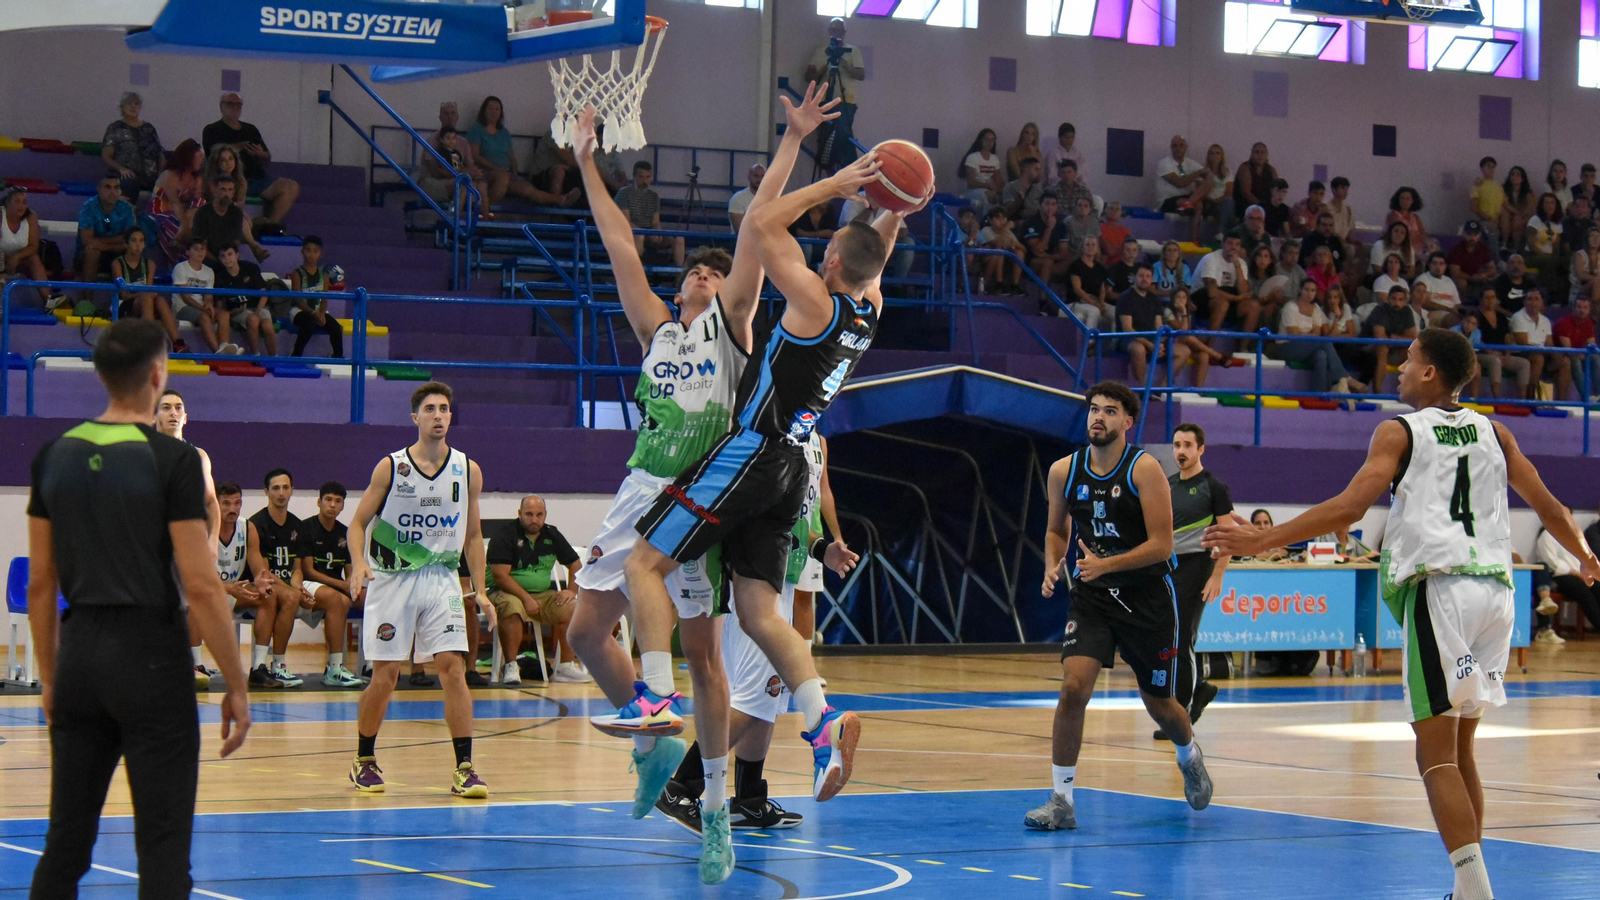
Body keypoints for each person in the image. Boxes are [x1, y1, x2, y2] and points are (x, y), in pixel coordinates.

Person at [1203, 328, 1600, 900]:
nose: (1399, 369)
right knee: (1460, 750)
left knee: (1434, 757)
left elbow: (1350, 508)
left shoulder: (1399, 431)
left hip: (1443, 591)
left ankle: (1476, 891)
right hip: (1497, 594)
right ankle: (1467, 888)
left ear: (1430, 372)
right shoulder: (1496, 431)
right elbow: (1550, 505)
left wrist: (1262, 541)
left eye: (1409, 360)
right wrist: (1585, 557)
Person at [618, 137, 912, 883]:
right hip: (795, 471)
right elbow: (871, 253)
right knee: (757, 613)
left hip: (755, 450)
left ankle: (653, 697)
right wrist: (895, 204)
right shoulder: (869, 310)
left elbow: (759, 224)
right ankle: (822, 721)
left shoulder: (815, 303)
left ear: (832, 261)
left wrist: (838, 184)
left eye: (829, 252)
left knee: (643, 563)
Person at [564, 88, 819, 881]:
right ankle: (651, 740)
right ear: (679, 290)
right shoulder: (658, 330)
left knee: (705, 663)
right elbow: (619, 242)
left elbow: (757, 227)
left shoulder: (733, 323)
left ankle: (711, 811)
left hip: (705, 498)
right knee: (583, 633)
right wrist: (586, 162)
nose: (707, 276)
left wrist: (791, 141)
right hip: (641, 488)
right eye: (696, 272)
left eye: (715, 271)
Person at [25, 319, 249, 897]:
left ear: (101, 376)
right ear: (156, 376)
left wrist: (50, 680)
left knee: (65, 845)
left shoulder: (54, 455)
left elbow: (41, 585)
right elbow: (202, 585)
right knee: (163, 851)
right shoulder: (174, 460)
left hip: (79, 657)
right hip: (152, 658)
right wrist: (235, 683)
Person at [1029, 382, 1212, 831]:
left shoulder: (1144, 470)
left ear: (1128, 421)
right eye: (1094, 409)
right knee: (1073, 688)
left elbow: (1162, 545)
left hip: (1146, 599)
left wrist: (1106, 564)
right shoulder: (1063, 471)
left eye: (1110, 411)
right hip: (1093, 598)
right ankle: (1061, 800)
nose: (1098, 417)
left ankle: (1188, 755)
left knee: (1161, 705)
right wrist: (1053, 564)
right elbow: (1056, 531)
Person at [655, 433, 838, 834]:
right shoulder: (764, 435)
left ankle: (750, 798)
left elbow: (802, 516)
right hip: (752, 579)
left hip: (783, 569)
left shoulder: (811, 439)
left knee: (767, 697)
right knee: (755, 695)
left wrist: (823, 548)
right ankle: (681, 785)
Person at [345, 381, 492, 797]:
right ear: (415, 418)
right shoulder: (391, 467)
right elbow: (357, 524)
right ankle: (364, 759)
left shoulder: (467, 469)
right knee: (386, 676)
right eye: (430, 409)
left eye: (444, 408)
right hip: (392, 579)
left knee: (454, 670)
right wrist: (358, 563)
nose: (438, 415)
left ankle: (465, 769)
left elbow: (473, 535)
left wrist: (480, 590)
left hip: (441, 577)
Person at [1161, 423, 1231, 740]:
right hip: (1169, 567)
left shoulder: (1214, 487)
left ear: (1200, 449)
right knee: (1165, 638)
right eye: (1177, 445)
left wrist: (1217, 574)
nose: (1181, 451)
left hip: (1198, 565)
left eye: (1188, 445)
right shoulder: (1167, 485)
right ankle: (1199, 688)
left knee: (1183, 638)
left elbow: (1227, 536)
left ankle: (1182, 717)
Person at [152, 389, 223, 691]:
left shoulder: (198, 456)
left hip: (185, 541)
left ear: (185, 417)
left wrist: (212, 540)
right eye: (165, 407)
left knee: (184, 606)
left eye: (178, 407)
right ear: (154, 417)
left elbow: (211, 502)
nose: (172, 412)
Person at [488, 494, 588, 684]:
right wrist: (526, 598)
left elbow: (575, 565)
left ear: (545, 515)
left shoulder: (552, 534)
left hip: (543, 595)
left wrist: (571, 591)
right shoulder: (504, 534)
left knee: (573, 608)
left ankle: (565, 666)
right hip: (507, 592)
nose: (534, 519)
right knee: (511, 607)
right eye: (529, 514)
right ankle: (511, 666)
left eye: (539, 515)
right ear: (519, 513)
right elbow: (500, 576)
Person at [245, 468, 310, 687]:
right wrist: (293, 591)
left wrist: (298, 585)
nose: (281, 493)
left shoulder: (297, 525)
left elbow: (297, 567)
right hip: (260, 583)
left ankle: (335, 667)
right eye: (275, 488)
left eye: (285, 487)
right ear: (266, 492)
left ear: (292, 490)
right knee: (290, 597)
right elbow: (263, 572)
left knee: (336, 600)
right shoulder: (256, 524)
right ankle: (276, 665)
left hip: (287, 585)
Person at [296, 481, 363, 688]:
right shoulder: (305, 528)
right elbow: (309, 571)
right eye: (328, 500)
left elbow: (350, 570)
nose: (332, 505)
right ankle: (334, 668)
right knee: (338, 600)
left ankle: (372, 663)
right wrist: (342, 585)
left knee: (371, 599)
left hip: (337, 587)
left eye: (338, 501)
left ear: (343, 505)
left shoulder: (345, 532)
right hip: (310, 584)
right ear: (319, 502)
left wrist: (352, 584)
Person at [201, 92, 299, 231]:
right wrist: (239, 146)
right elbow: (213, 152)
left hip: (257, 179)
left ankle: (270, 225)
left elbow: (267, 156)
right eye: (230, 104)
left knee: (290, 187)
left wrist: (260, 153)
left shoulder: (251, 129)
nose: (235, 107)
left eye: (238, 105)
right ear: (221, 106)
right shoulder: (211, 129)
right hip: (229, 180)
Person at [464, 95, 569, 208]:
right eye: (490, 108)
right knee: (503, 179)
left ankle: (560, 200)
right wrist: (495, 168)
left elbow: (511, 156)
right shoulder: (476, 130)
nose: (493, 112)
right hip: (485, 174)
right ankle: (484, 212)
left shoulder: (504, 133)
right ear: (484, 111)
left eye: (497, 109)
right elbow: (475, 157)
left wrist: (514, 169)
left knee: (528, 189)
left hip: (506, 173)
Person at [1118, 262, 1182, 385]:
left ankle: (1162, 388)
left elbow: (1159, 326)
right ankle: (1143, 389)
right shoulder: (1125, 297)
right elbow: (1127, 329)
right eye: (1141, 276)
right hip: (1128, 339)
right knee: (1139, 349)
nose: (1144, 279)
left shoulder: (1154, 299)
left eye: (1148, 276)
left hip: (1151, 338)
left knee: (1183, 351)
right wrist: (1150, 345)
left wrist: (1160, 343)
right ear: (1134, 277)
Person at [617, 161, 686, 268]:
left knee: (679, 239)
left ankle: (679, 272)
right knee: (639, 236)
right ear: (634, 176)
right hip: (630, 234)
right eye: (641, 177)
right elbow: (625, 222)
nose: (644, 181)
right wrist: (646, 232)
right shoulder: (623, 193)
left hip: (648, 233)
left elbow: (655, 221)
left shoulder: (654, 197)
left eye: (647, 177)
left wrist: (657, 232)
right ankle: (636, 270)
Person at [1277, 279, 1340, 393]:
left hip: (1306, 347)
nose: (1309, 293)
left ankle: (1319, 395)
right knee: (1324, 342)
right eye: (1306, 290)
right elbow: (1293, 334)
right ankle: (1342, 378)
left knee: (1321, 355)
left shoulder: (1316, 308)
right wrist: (1310, 335)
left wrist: (1304, 334)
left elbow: (1317, 333)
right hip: (1287, 347)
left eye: (1313, 290)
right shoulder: (1290, 307)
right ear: (1300, 290)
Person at [149, 139, 205, 266]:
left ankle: (180, 239)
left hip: (184, 212)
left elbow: (197, 201)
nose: (201, 160)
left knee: (199, 205)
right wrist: (185, 225)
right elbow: (174, 202)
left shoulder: (196, 178)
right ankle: (181, 252)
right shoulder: (169, 175)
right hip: (161, 209)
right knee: (175, 224)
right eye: (198, 157)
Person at [212, 243, 275, 356]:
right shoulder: (219, 277)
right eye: (223, 256)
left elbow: (264, 293)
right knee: (252, 319)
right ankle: (256, 356)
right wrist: (233, 312)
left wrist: (257, 312)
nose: (227, 259)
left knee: (267, 325)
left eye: (230, 254)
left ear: (237, 255)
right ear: (220, 259)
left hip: (258, 307)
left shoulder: (251, 268)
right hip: (238, 311)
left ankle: (275, 358)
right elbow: (220, 307)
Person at [75, 173, 137, 284]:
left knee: (133, 249)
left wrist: (104, 246)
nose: (113, 192)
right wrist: (118, 240)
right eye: (108, 187)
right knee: (92, 252)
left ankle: (129, 294)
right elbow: (87, 241)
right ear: (99, 189)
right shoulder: (88, 207)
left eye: (116, 188)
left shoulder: (126, 208)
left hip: (116, 251)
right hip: (88, 254)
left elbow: (129, 238)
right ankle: (87, 295)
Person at [288, 236, 344, 358]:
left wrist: (322, 313)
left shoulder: (324, 275)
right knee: (309, 323)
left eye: (315, 251)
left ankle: (338, 357)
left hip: (318, 311)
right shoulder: (297, 273)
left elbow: (324, 298)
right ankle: (296, 355)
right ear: (302, 251)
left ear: (320, 254)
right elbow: (297, 299)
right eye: (308, 250)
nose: (311, 254)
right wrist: (313, 313)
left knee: (336, 327)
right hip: (299, 311)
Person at [101, 92, 162, 202]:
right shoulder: (115, 128)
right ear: (122, 107)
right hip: (125, 174)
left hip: (150, 175)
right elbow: (106, 156)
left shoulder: (149, 128)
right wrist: (121, 169)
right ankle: (128, 210)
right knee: (130, 182)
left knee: (166, 184)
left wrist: (164, 174)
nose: (133, 106)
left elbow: (159, 154)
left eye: (136, 104)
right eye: (129, 103)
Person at [192, 175, 268, 263]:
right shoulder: (203, 212)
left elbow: (236, 243)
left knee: (252, 268)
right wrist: (217, 263)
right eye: (223, 190)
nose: (227, 194)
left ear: (233, 193)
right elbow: (201, 245)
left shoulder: (236, 212)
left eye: (230, 190)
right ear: (215, 191)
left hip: (228, 258)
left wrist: (228, 260)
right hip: (208, 259)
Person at [1510, 289, 1570, 400]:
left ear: (1542, 302)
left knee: (1564, 362)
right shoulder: (1518, 317)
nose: (1533, 303)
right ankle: (1530, 398)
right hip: (1523, 353)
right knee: (1538, 358)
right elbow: (1522, 343)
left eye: (1536, 299)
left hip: (1542, 352)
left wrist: (1557, 355)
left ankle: (1561, 402)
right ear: (1524, 301)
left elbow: (1549, 344)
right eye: (1530, 299)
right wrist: (1543, 351)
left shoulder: (1545, 321)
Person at [1197, 234, 1257, 340]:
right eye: (1230, 243)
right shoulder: (1211, 258)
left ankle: (1243, 348)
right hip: (1202, 298)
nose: (1233, 247)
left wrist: (1237, 265)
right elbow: (1212, 292)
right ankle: (1209, 347)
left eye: (1237, 244)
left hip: (1228, 298)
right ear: (1223, 244)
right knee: (1222, 303)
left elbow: (1243, 292)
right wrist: (1237, 298)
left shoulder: (1241, 263)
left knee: (1254, 306)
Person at [1364, 285, 1420, 393]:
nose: (1396, 303)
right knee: (1382, 348)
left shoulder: (1407, 311)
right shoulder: (1380, 310)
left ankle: (1406, 393)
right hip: (1368, 348)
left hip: (1393, 349)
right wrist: (1398, 340)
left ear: (1405, 301)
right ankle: (1378, 393)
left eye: (1400, 300)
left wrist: (1394, 338)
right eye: (1393, 299)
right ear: (1388, 299)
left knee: (1411, 352)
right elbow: (1380, 337)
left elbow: (1412, 339)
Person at [1474, 289, 1528, 400]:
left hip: (1501, 354)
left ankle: (1522, 400)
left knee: (1524, 363)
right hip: (1481, 353)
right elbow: (1475, 338)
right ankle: (1497, 399)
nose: (1490, 300)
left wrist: (1507, 354)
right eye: (1487, 298)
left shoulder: (1501, 317)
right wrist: (1491, 352)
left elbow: (1508, 338)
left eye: (1492, 297)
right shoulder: (1476, 316)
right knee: (1495, 361)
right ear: (1481, 300)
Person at [1022, 193, 1071, 306]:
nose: (1050, 207)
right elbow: (1038, 250)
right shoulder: (1031, 222)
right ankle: (1042, 301)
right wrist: (1049, 228)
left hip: (1049, 258)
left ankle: (1070, 301)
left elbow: (1063, 252)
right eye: (1047, 203)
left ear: (1057, 207)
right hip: (1030, 261)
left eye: (1053, 204)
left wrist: (1048, 256)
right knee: (1047, 263)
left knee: (1072, 261)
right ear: (1040, 206)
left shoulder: (1061, 225)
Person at [1554, 296, 1599, 400]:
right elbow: (1568, 349)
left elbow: (1592, 345)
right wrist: (1582, 354)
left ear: (1589, 309)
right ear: (1573, 308)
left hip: (1578, 353)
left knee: (1596, 358)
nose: (1582, 310)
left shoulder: (1588, 322)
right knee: (1575, 361)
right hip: (1560, 355)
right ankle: (1586, 397)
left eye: (1585, 307)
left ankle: (1598, 395)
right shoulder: (1564, 322)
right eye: (1579, 307)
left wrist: (1584, 354)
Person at [1066, 235, 1110, 331]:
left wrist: (1101, 302)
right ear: (1082, 247)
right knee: (1094, 311)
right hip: (1076, 302)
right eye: (1087, 244)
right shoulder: (1076, 266)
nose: (1090, 247)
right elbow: (1077, 289)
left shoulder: (1100, 268)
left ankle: (1116, 340)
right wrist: (1094, 303)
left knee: (1115, 313)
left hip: (1096, 301)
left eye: (1093, 245)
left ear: (1097, 248)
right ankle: (1090, 339)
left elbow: (1102, 289)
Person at [1155, 135, 1208, 214]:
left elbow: (1208, 174)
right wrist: (1198, 173)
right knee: (1183, 202)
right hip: (1167, 200)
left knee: (1199, 204)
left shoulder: (1191, 163)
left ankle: (1187, 206)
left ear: (1186, 147)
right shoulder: (1164, 163)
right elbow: (1180, 183)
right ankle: (1186, 205)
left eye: (1181, 145)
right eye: (1175, 146)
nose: (1178, 148)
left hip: (1187, 197)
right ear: (1171, 147)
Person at [978, 207, 1026, 294]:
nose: (1002, 221)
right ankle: (998, 283)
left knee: (1019, 253)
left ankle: (1015, 285)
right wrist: (1005, 229)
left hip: (1005, 260)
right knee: (999, 250)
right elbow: (998, 243)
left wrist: (1015, 244)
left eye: (1004, 218)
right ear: (990, 220)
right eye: (998, 218)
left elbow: (1024, 249)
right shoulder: (986, 230)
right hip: (986, 259)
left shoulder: (1008, 233)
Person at [959, 128, 1004, 216]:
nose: (989, 142)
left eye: (992, 140)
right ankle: (985, 220)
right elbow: (971, 183)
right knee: (986, 196)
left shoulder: (994, 159)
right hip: (972, 191)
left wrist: (998, 189)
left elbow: (998, 180)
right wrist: (988, 186)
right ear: (981, 140)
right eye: (987, 139)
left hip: (989, 190)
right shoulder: (972, 158)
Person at [1232, 143, 1277, 226]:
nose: (1260, 155)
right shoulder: (1245, 168)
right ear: (1251, 154)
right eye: (1257, 152)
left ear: (1267, 155)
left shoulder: (1271, 170)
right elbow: (1246, 194)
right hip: (1247, 205)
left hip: (1266, 205)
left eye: (1263, 152)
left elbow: (1276, 191)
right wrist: (1262, 206)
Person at [1469, 157, 1505, 253]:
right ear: (1482, 169)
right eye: (1488, 166)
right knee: (1490, 229)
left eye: (1493, 167)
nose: (1491, 169)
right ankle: (1496, 259)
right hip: (1485, 220)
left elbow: (1504, 205)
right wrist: (1489, 219)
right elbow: (1474, 207)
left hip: (1498, 220)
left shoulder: (1499, 187)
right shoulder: (1478, 185)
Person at [1498, 166, 1536, 255]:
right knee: (1505, 214)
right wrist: (1515, 212)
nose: (1514, 177)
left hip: (1522, 218)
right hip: (1508, 217)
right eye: (1512, 174)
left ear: (1522, 179)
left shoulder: (1528, 193)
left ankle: (1516, 247)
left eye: (1517, 175)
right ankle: (1504, 243)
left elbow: (1530, 210)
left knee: (1517, 220)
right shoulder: (1503, 190)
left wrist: (1519, 214)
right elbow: (1503, 204)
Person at [1042, 122, 1087, 192]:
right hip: (1056, 191)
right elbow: (1052, 177)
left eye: (1072, 137)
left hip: (1075, 191)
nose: (1069, 140)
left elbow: (1082, 176)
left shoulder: (1078, 154)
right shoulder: (1053, 153)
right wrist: (1066, 184)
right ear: (1059, 137)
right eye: (1066, 137)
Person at [1001, 155, 1044, 222]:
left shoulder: (1038, 191)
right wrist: (1018, 201)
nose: (1039, 173)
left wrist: (1034, 213)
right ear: (1026, 169)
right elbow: (1007, 212)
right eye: (1036, 169)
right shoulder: (1010, 187)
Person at [1386, 187, 1429, 253]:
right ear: (1398, 200)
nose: (1405, 201)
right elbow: (1400, 236)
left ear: (1412, 201)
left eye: (1408, 199)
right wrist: (1415, 237)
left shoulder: (1415, 217)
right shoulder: (1393, 215)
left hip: (1418, 251)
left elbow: (1423, 235)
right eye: (1402, 198)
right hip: (1400, 251)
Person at [727, 163, 765, 231]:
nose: (759, 179)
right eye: (756, 176)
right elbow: (740, 230)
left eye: (762, 176)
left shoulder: (772, 198)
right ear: (749, 177)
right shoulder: (738, 198)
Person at [1569, 224, 1600, 303]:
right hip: (1579, 291)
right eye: (1592, 236)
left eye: (1598, 237)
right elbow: (1581, 276)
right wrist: (1597, 279)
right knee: (1596, 282)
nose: (1595, 239)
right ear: (1587, 239)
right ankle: (1594, 309)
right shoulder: (1579, 255)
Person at [1099, 202, 1132, 267]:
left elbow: (1129, 251)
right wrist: (1123, 248)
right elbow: (1109, 251)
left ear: (1120, 213)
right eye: (1111, 208)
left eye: (1117, 209)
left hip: (1122, 266)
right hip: (1105, 266)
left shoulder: (1125, 231)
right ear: (1105, 211)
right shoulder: (1099, 229)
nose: (1114, 211)